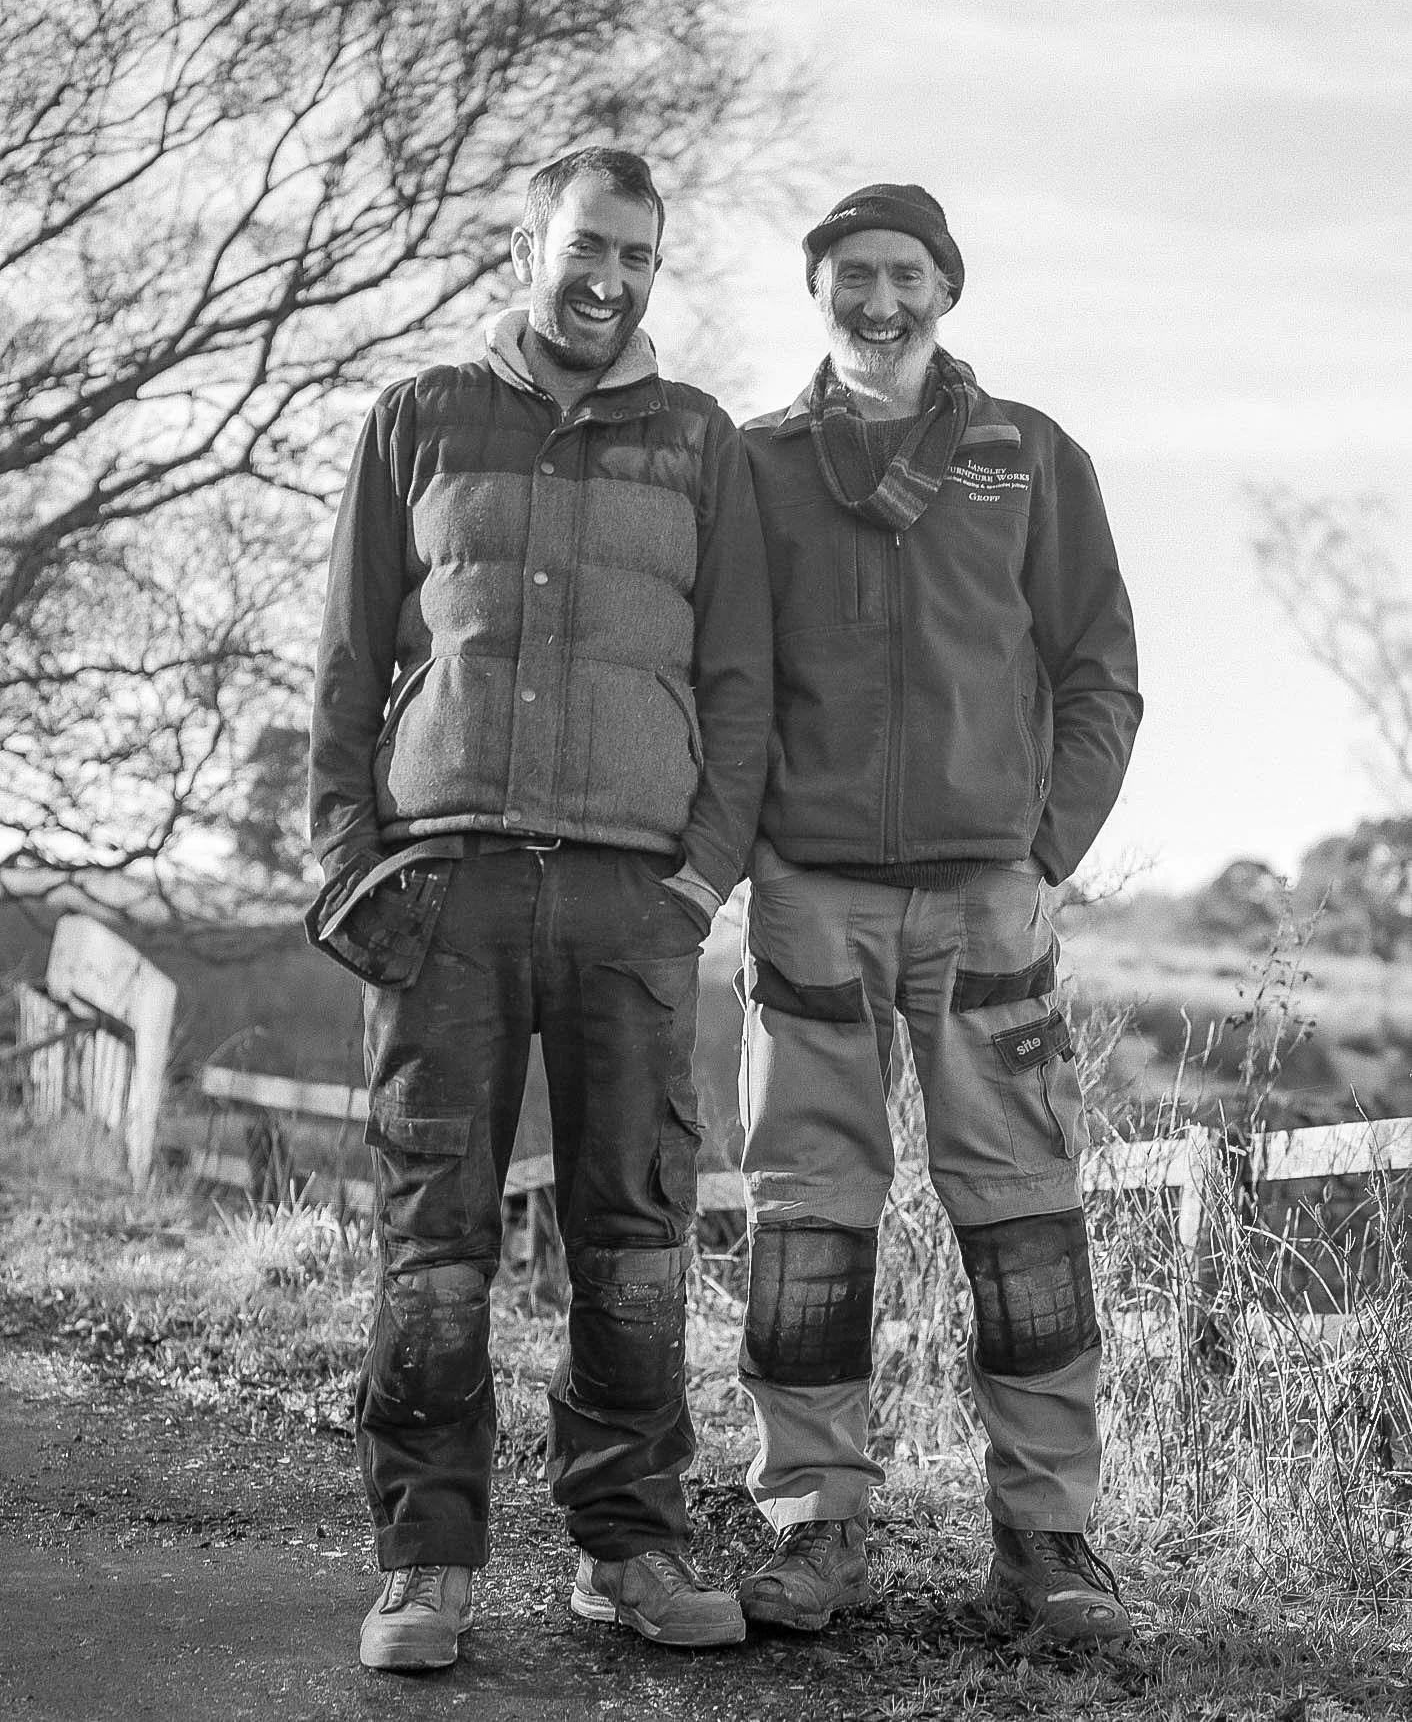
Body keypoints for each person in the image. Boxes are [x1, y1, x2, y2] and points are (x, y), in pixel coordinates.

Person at [305, 146, 771, 1670]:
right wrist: (348, 863)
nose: (610, 279)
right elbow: (343, 667)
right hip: (444, 892)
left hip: (635, 902)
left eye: (638, 256)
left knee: (633, 1233)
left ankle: (628, 1547)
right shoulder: (419, 421)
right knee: (434, 1237)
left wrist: (697, 881)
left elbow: (742, 689)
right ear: (531, 241)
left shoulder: (702, 444)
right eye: (588, 245)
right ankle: (425, 1565)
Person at [732, 184, 1143, 1645]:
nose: (880, 299)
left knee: (1027, 1225)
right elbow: (727, 675)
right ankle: (810, 1528)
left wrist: (1048, 850)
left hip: (990, 904)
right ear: (819, 291)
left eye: (905, 273)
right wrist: (753, 854)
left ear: (948, 287)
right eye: (852, 275)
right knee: (807, 1232)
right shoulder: (756, 465)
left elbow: (1101, 670)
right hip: (811, 899)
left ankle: (1048, 1545)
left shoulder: (1029, 458)